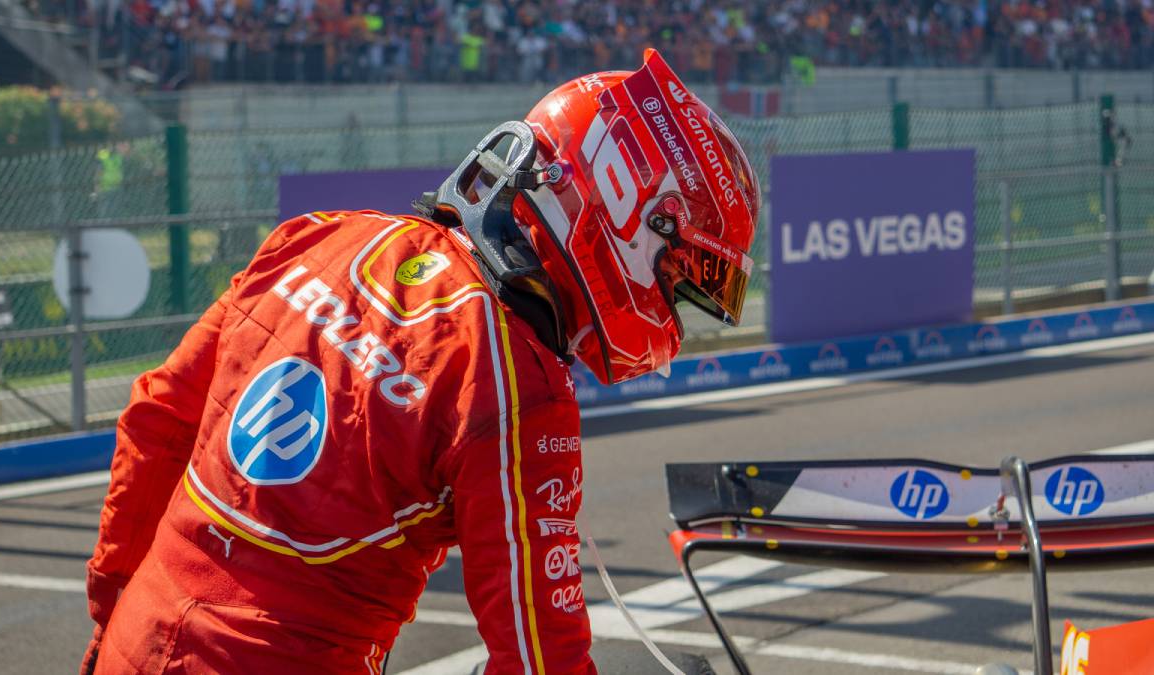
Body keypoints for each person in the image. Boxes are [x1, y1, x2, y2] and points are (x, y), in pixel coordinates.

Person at [81, 48, 759, 675]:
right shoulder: (515, 386)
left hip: (135, 637)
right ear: (621, 214)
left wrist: (114, 615)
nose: (670, 304)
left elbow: (153, 421)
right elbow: (537, 656)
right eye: (675, 279)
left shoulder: (316, 235)